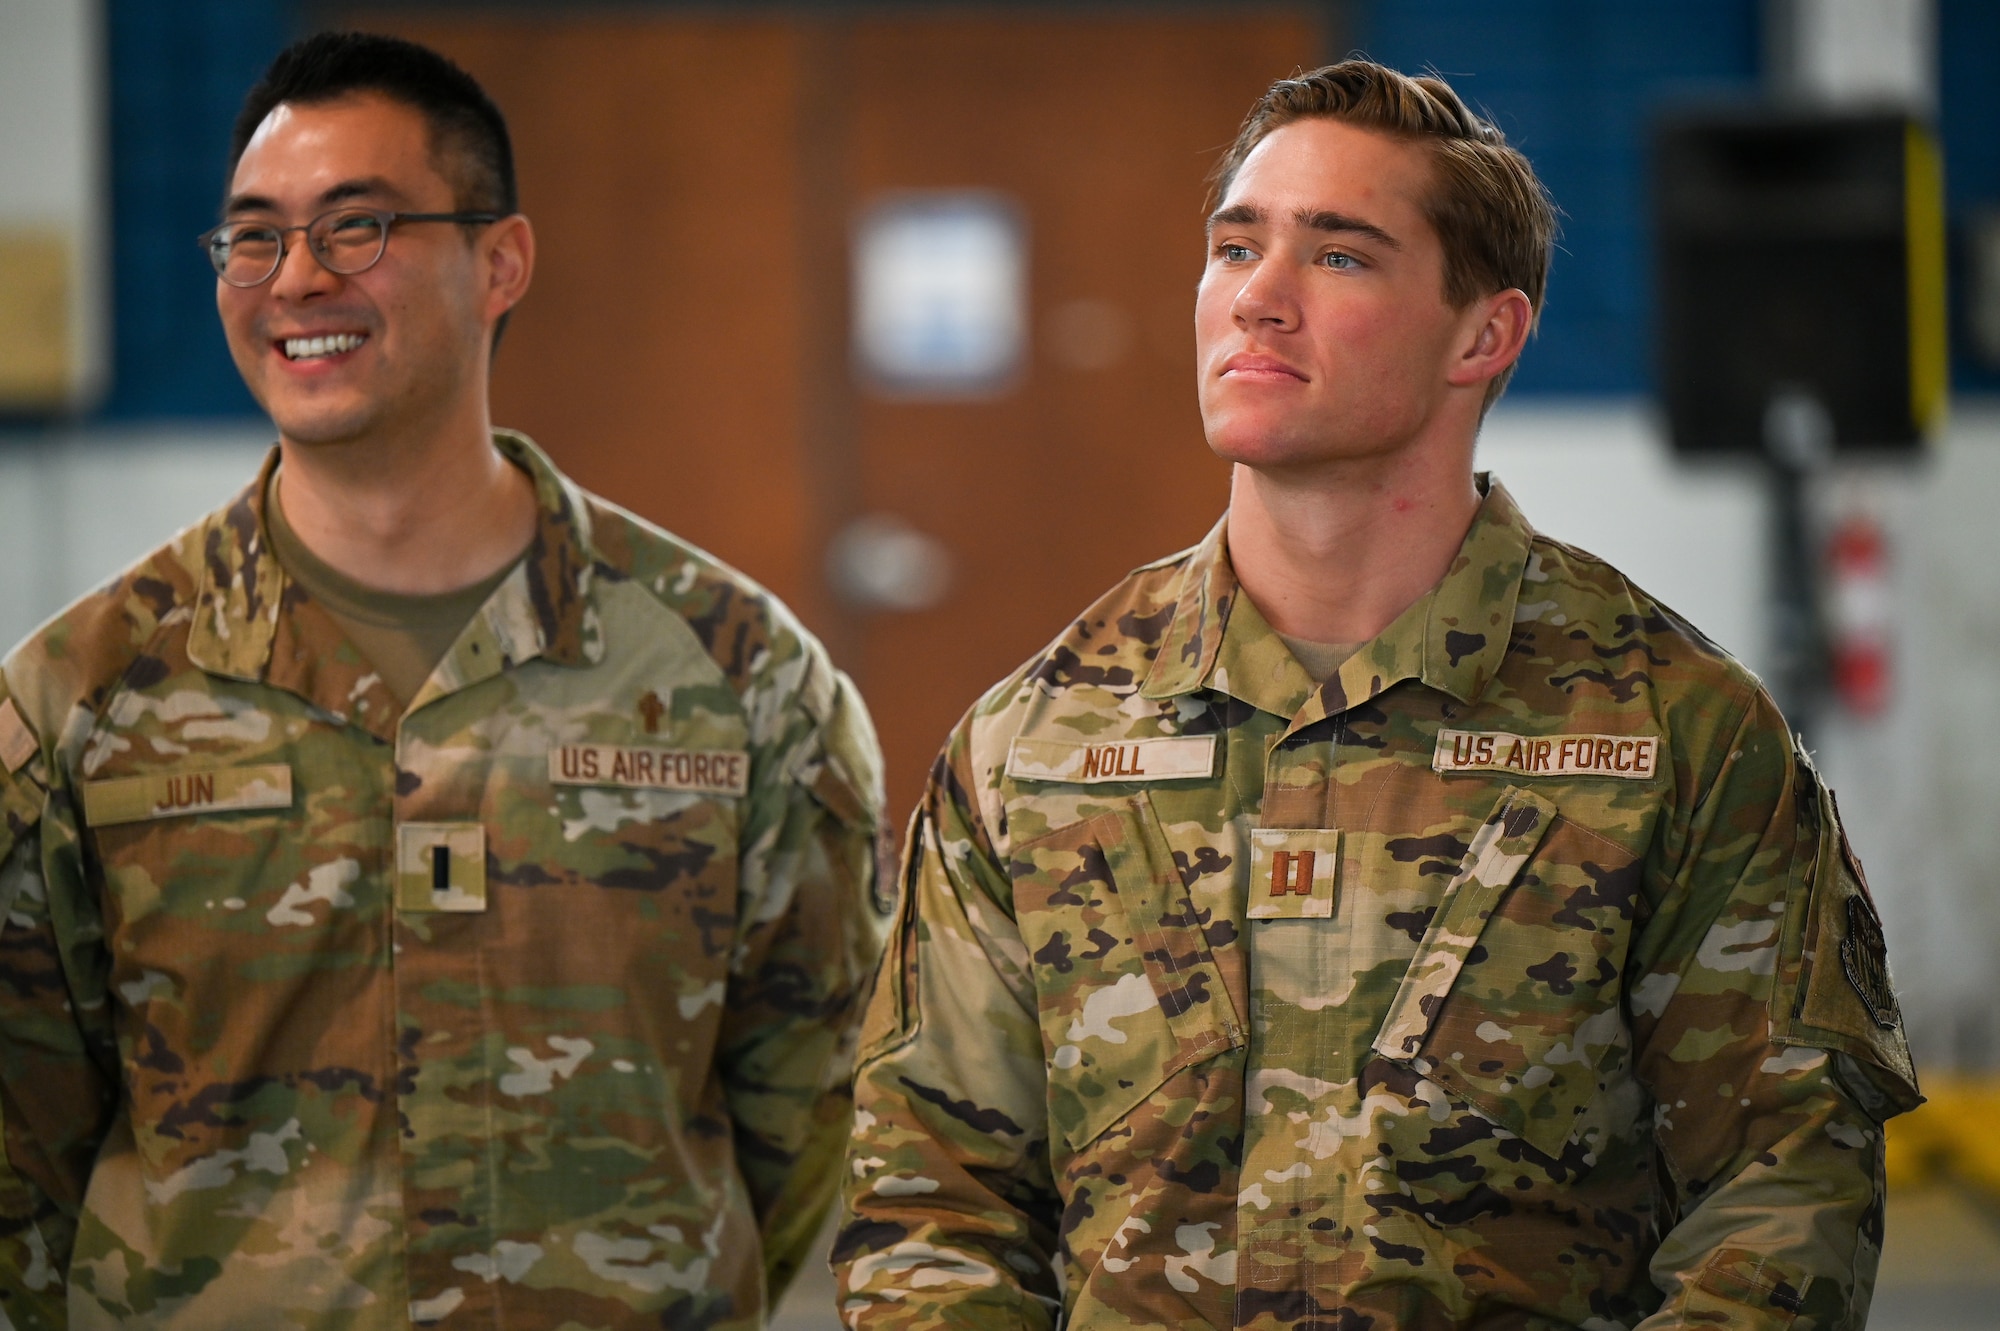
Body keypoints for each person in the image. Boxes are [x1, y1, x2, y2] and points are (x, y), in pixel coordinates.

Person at [836, 60, 1919, 1330]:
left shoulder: (1668, 731)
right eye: (1234, 246)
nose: (1258, 296)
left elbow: (1781, 1195)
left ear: (1483, 334)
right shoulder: (1042, 739)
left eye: (1337, 256)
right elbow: (928, 1200)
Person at [0, 31, 884, 1330]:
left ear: (500, 260)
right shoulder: (87, 691)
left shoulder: (734, 671)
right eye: (254, 236)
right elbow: (25, 1135)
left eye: (356, 228)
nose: (297, 278)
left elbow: (805, 1104)